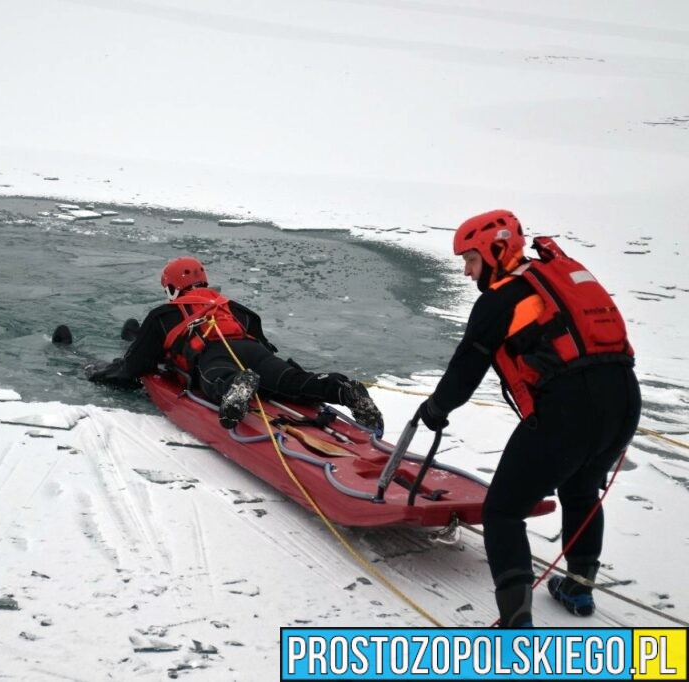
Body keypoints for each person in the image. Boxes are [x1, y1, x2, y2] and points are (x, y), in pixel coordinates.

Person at [418, 209, 640, 627]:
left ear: (494, 251)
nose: (467, 272)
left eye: (470, 259)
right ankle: (577, 588)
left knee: (502, 511)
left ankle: (515, 625)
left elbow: (464, 373)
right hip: (623, 403)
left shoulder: (500, 299)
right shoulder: (554, 276)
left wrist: (434, 409)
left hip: (570, 412)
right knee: (580, 489)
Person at [86, 256, 384, 434]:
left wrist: (98, 373)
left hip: (213, 354)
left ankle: (234, 386)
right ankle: (342, 389)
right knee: (292, 381)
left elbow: (134, 367)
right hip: (253, 350)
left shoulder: (164, 314)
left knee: (216, 377)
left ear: (173, 287)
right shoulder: (235, 308)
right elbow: (265, 346)